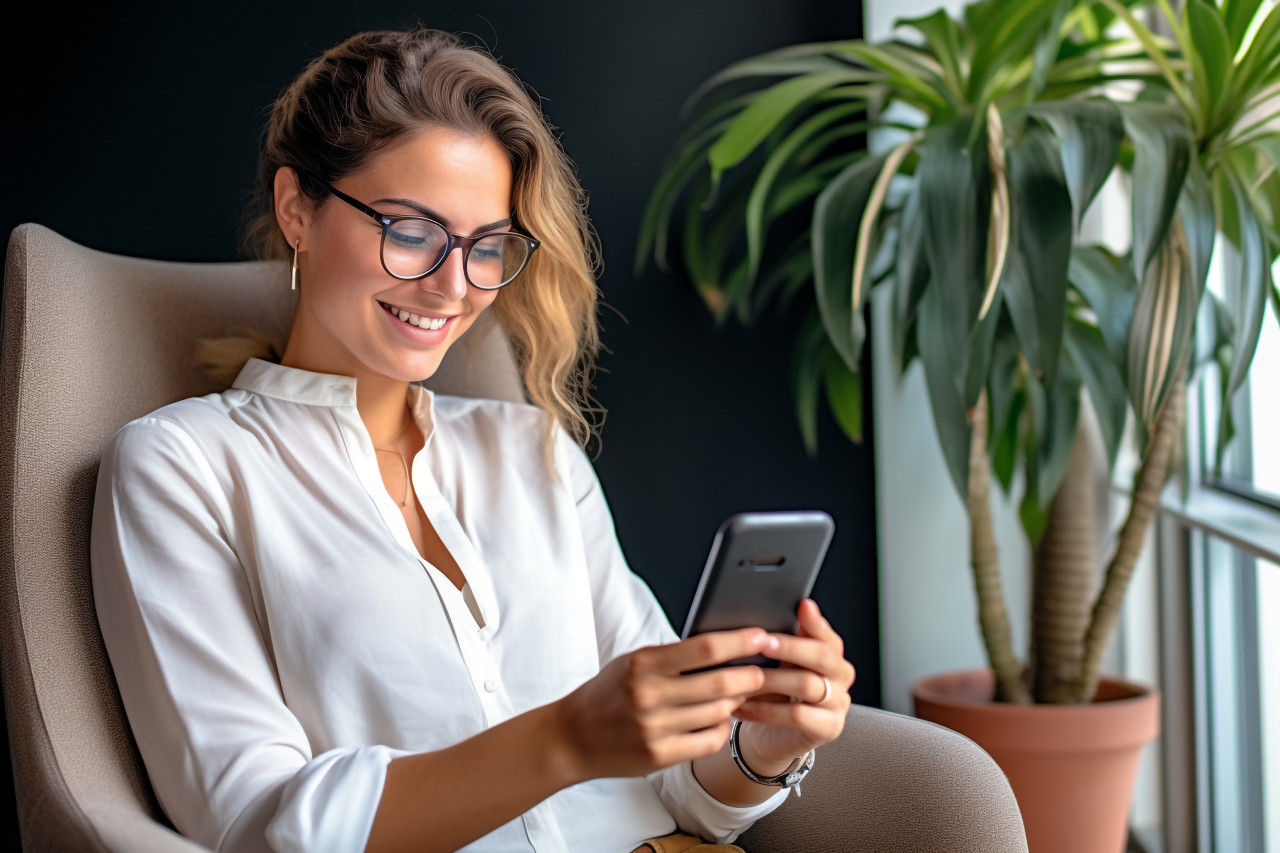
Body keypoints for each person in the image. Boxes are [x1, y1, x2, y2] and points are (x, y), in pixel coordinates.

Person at [89, 26, 855, 853]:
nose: (454, 287)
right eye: (412, 231)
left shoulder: (534, 453)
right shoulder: (183, 467)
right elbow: (258, 823)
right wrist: (565, 740)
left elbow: (681, 783)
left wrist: (761, 749)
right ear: (295, 209)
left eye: (488, 246)